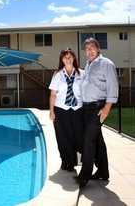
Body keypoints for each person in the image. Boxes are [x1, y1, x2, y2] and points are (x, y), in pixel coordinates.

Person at [77, 37, 118, 188]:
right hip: (87, 108)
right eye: (86, 49)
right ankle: (103, 172)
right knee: (98, 142)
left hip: (98, 107)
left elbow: (113, 86)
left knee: (88, 140)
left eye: (91, 48)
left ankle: (84, 175)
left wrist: (107, 108)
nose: (89, 51)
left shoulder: (106, 64)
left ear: (98, 49)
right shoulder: (88, 65)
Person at [49, 48, 84, 171]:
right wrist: (52, 111)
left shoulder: (82, 73)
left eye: (70, 57)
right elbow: (53, 94)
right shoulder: (57, 75)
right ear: (62, 60)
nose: (68, 59)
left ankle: (76, 160)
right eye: (65, 57)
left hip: (78, 110)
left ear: (74, 58)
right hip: (61, 110)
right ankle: (66, 162)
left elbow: (86, 93)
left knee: (78, 136)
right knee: (63, 137)